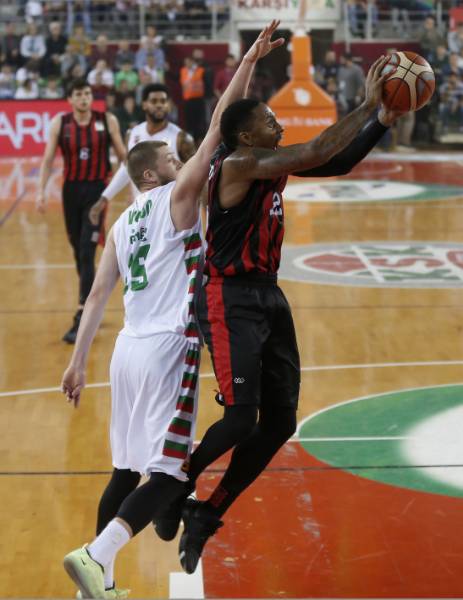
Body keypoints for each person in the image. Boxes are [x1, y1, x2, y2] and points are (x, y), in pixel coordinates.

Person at [60, 21, 285, 600]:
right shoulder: (176, 197)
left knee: (122, 470)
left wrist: (77, 364)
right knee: (167, 471)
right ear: (152, 174)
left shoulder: (118, 224)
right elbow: (218, 124)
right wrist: (249, 62)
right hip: (167, 350)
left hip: (124, 351)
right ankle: (97, 554)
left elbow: (93, 298)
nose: (181, 154)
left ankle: (98, 581)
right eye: (170, 154)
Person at [176, 57, 406, 574]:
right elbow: (319, 147)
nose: (278, 124)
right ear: (243, 134)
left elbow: (335, 162)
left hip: (267, 296)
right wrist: (367, 102)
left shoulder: (267, 166)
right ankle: (177, 483)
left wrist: (379, 123)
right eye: (269, 120)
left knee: (279, 421)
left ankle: (205, 513)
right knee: (239, 419)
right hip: (228, 295)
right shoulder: (237, 165)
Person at [37, 78, 126, 344]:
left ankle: (82, 314)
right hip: (71, 191)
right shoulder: (60, 124)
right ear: (70, 99)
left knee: (87, 251)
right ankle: (89, 301)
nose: (85, 98)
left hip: (98, 192)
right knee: (78, 250)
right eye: (79, 94)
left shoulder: (107, 120)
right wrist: (41, 192)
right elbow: (48, 159)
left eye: (87, 93)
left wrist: (137, 188)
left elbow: (123, 156)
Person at [89, 83, 196, 221]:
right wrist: (104, 198)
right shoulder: (133, 133)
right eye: (154, 101)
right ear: (144, 105)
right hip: (141, 212)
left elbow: (196, 173)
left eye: (163, 101)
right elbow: (126, 168)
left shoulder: (181, 138)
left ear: (168, 105)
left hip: (171, 213)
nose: (159, 105)